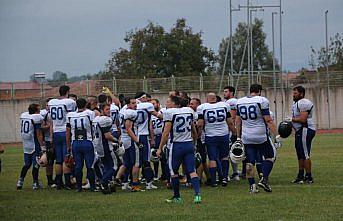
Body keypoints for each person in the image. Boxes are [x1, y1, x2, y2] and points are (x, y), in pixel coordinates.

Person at [236, 84, 281, 193]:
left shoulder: (239, 101)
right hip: (260, 135)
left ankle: (252, 186)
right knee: (270, 156)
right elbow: (268, 120)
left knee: (250, 162)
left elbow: (238, 121)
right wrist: (277, 135)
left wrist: (238, 137)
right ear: (259, 91)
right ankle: (264, 179)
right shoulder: (262, 100)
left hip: (246, 136)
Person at [157, 96, 201, 204]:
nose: (166, 104)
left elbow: (166, 133)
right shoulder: (189, 111)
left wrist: (159, 148)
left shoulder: (170, 113)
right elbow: (194, 130)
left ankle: (177, 197)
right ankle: (197, 195)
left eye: (168, 102)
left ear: (175, 104)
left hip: (176, 146)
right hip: (188, 144)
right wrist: (194, 143)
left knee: (173, 171)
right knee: (192, 171)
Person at [197, 93, 236, 187]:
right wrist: (235, 133)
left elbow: (200, 124)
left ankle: (214, 181)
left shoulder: (202, 107)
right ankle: (225, 178)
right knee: (225, 157)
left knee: (212, 159)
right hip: (224, 134)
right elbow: (230, 122)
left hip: (210, 135)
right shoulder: (224, 105)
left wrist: (198, 135)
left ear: (207, 99)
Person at [48, 85, 76, 189]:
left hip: (55, 132)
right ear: (68, 92)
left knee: (58, 160)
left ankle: (59, 183)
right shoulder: (70, 102)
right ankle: (68, 183)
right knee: (66, 158)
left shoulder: (52, 102)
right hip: (65, 131)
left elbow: (51, 119)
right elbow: (72, 116)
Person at [66, 98, 96, 192]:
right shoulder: (90, 113)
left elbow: (67, 132)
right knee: (90, 165)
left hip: (76, 143)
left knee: (78, 165)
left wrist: (68, 146)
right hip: (87, 142)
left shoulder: (70, 115)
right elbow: (93, 127)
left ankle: (79, 187)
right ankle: (92, 187)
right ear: (86, 104)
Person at [134, 91, 161, 190]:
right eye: (145, 98)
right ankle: (149, 182)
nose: (148, 100)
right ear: (141, 98)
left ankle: (130, 182)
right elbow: (157, 116)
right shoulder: (147, 106)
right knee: (146, 160)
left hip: (132, 136)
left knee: (134, 161)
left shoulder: (127, 107)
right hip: (143, 136)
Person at [289, 86, 316, 184]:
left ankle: (309, 176)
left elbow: (303, 119)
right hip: (300, 130)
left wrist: (290, 119)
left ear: (301, 94)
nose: (293, 95)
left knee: (305, 154)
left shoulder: (303, 102)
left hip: (306, 129)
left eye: (295, 93)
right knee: (300, 154)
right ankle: (300, 176)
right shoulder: (296, 103)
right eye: (293, 93)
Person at [17, 103, 45, 190]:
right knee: (36, 164)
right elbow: (38, 133)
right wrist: (42, 146)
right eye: (38, 109)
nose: (40, 111)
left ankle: (20, 181)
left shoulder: (24, 115)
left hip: (26, 144)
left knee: (27, 164)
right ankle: (35, 183)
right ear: (36, 111)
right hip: (34, 144)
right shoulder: (36, 117)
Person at [93, 103, 119, 194]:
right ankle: (103, 182)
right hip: (105, 146)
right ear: (101, 110)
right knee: (114, 166)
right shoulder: (105, 120)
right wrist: (117, 140)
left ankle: (107, 184)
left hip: (98, 146)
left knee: (107, 167)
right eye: (107, 109)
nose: (109, 111)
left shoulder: (96, 119)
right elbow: (107, 136)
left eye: (109, 109)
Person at [189, 98, 211, 185]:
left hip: (199, 139)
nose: (190, 105)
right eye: (190, 104)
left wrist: (197, 137)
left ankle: (198, 178)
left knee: (200, 159)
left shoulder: (198, 114)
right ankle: (209, 178)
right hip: (196, 139)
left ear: (198, 105)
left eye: (192, 104)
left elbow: (200, 126)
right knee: (203, 161)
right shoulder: (191, 113)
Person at [223, 86, 240, 181]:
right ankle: (235, 172)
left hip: (231, 129)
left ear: (231, 92)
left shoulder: (231, 101)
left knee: (230, 153)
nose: (224, 93)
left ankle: (234, 173)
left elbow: (232, 117)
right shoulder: (227, 102)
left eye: (226, 91)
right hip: (230, 129)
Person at [40, 98, 55, 187]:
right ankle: (50, 181)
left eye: (49, 106)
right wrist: (48, 126)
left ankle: (58, 179)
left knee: (60, 161)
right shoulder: (44, 114)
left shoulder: (55, 114)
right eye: (46, 105)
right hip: (48, 140)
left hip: (56, 139)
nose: (48, 107)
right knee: (49, 161)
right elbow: (41, 128)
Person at [150, 98, 163, 180]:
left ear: (158, 104)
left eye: (154, 103)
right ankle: (155, 174)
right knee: (155, 156)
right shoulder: (150, 114)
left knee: (163, 157)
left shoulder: (163, 112)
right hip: (155, 136)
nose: (153, 106)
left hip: (162, 136)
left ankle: (165, 174)